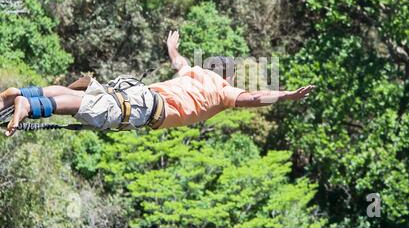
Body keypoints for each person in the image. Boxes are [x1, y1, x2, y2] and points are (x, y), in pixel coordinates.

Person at [0, 31, 315, 136]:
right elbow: (254, 98)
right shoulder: (222, 90)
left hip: (139, 92)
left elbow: (177, 59)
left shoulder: (192, 72)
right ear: (226, 76)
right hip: (145, 107)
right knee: (92, 108)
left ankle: (24, 94)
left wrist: (171, 44)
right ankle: (30, 104)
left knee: (87, 94)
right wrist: (286, 96)